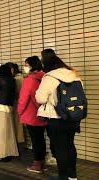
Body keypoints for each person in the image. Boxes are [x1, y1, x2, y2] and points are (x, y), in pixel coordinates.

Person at [36, 49, 83, 180]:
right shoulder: (74, 75)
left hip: (56, 117)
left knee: (60, 147)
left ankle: (63, 175)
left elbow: (40, 98)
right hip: (73, 116)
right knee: (69, 144)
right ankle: (72, 175)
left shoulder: (50, 77)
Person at [18, 56, 47, 173]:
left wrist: (19, 112)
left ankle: (37, 164)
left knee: (36, 140)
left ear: (31, 66)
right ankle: (42, 163)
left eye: (26, 64)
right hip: (44, 113)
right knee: (41, 139)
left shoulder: (29, 80)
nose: (25, 67)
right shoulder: (45, 77)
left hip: (32, 115)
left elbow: (23, 99)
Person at [6, 62, 25, 144]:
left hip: (17, 103)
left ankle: (17, 142)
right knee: (18, 124)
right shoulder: (21, 78)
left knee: (17, 124)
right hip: (20, 103)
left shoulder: (17, 79)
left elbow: (16, 92)